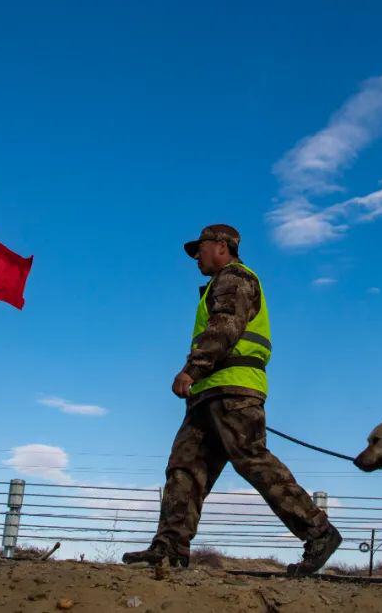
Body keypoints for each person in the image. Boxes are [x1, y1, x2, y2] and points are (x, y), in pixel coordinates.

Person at [123, 224, 341, 575]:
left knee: (252, 460)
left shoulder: (235, 278)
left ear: (222, 246)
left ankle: (319, 532)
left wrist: (191, 370)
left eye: (201, 249)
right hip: (210, 392)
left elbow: (225, 327)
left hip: (233, 388)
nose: (196, 257)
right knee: (184, 467)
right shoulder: (217, 283)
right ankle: (168, 549)